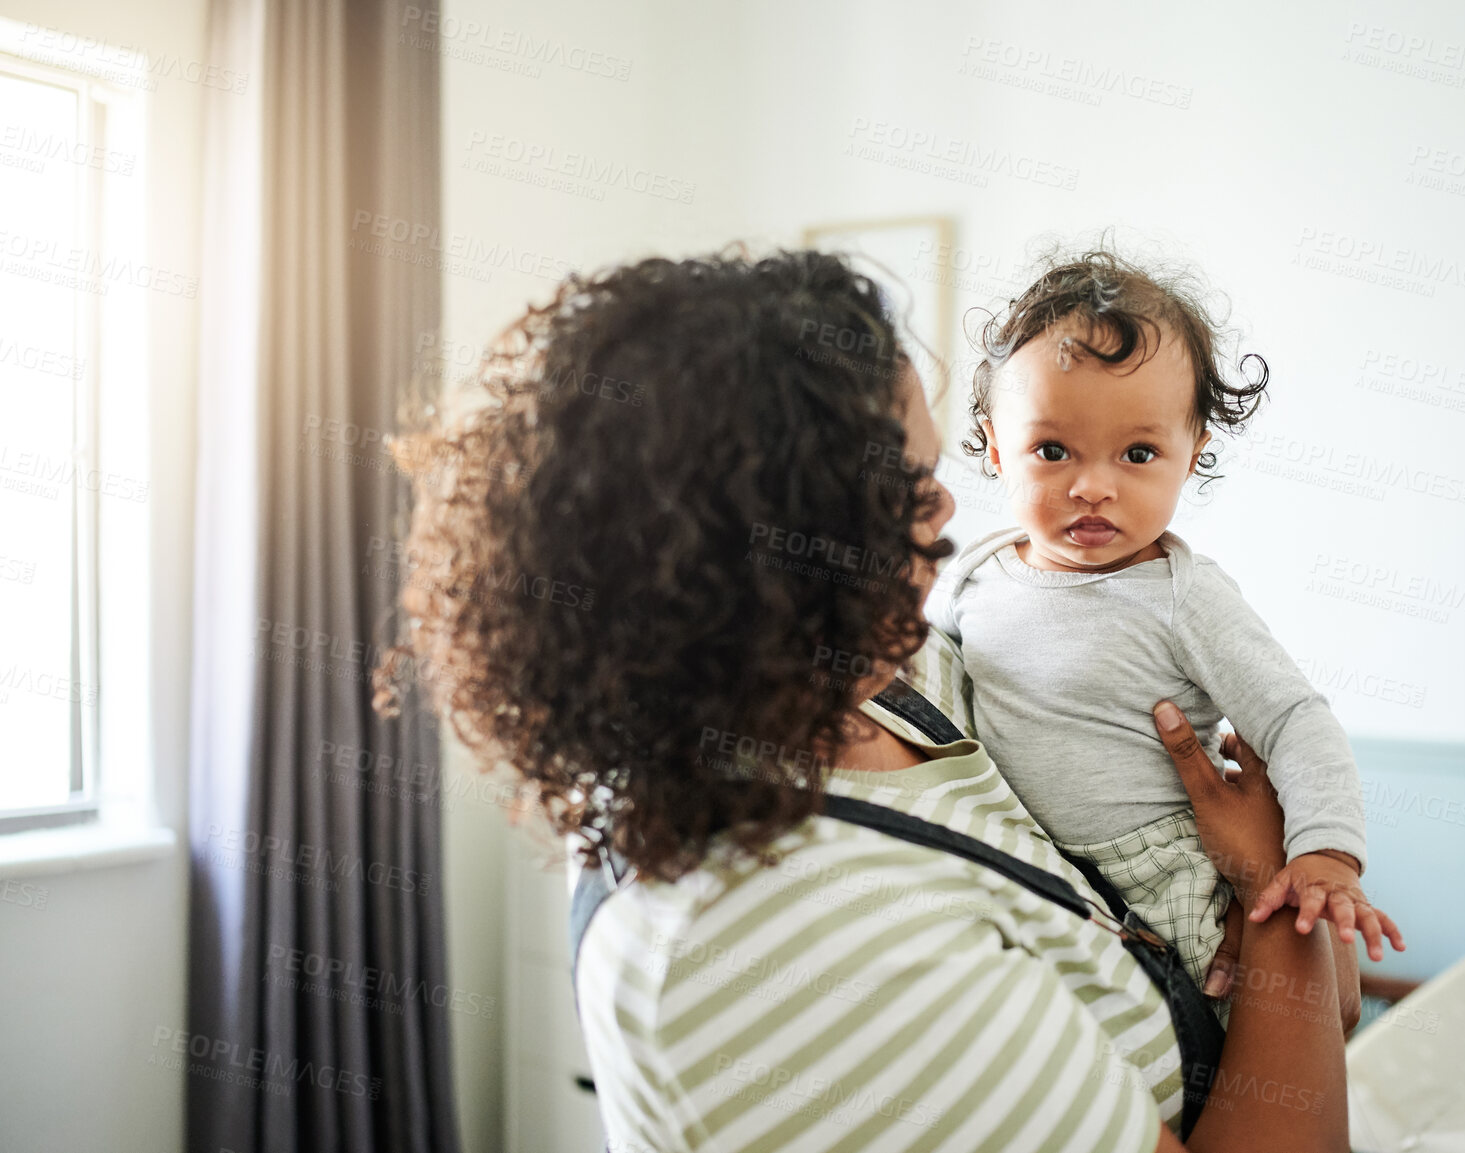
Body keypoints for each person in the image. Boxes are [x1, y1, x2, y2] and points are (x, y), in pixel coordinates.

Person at [384, 248, 1351, 1151]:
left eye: (933, 473)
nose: (944, 512)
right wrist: (1269, 895)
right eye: (902, 488)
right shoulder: (773, 939)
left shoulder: (888, 678)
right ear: (755, 548)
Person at [927, 249, 1403, 1005]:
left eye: (1138, 452)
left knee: (1226, 1038)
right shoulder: (972, 576)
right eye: (1051, 450)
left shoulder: (1184, 597)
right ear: (993, 446)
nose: (1092, 485)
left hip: (1166, 874)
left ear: (1191, 457)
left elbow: (1294, 720)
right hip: (1027, 863)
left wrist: (1326, 856)